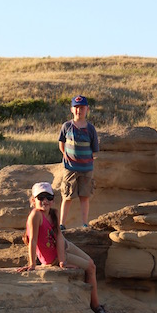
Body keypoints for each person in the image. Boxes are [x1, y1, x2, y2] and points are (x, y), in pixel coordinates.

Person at [16, 181, 114, 313]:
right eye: (41, 197)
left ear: (53, 200)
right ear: (33, 200)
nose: (45, 201)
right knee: (91, 267)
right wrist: (32, 264)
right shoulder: (36, 216)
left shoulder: (54, 213)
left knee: (91, 262)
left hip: (61, 247)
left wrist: (63, 261)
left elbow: (60, 237)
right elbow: (33, 240)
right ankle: (96, 307)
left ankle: (94, 302)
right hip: (52, 257)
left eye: (49, 197)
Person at [58, 95, 99, 229]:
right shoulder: (67, 126)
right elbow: (61, 144)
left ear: (87, 109)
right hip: (70, 168)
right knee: (67, 196)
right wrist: (66, 156)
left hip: (86, 169)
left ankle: (84, 223)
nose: (79, 110)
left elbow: (94, 149)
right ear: (71, 109)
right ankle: (62, 224)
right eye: (76, 107)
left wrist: (87, 160)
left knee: (84, 196)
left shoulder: (91, 128)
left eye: (82, 108)